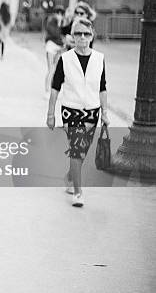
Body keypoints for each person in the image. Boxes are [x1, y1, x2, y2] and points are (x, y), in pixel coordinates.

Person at [46, 18, 109, 207]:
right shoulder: (65, 59)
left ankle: (69, 176)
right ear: (72, 36)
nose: (82, 37)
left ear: (92, 36)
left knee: (81, 152)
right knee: (76, 149)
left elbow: (103, 87)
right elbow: (55, 88)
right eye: (78, 33)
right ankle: (78, 193)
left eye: (86, 33)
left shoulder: (99, 58)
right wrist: (51, 114)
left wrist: (105, 112)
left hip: (92, 111)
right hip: (71, 111)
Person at [44, 5, 65, 94]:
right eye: (58, 13)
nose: (59, 15)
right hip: (51, 46)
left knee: (56, 70)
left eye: (61, 14)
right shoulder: (51, 21)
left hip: (59, 47)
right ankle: (47, 90)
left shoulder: (63, 22)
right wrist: (59, 23)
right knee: (51, 69)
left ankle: (53, 89)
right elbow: (54, 33)